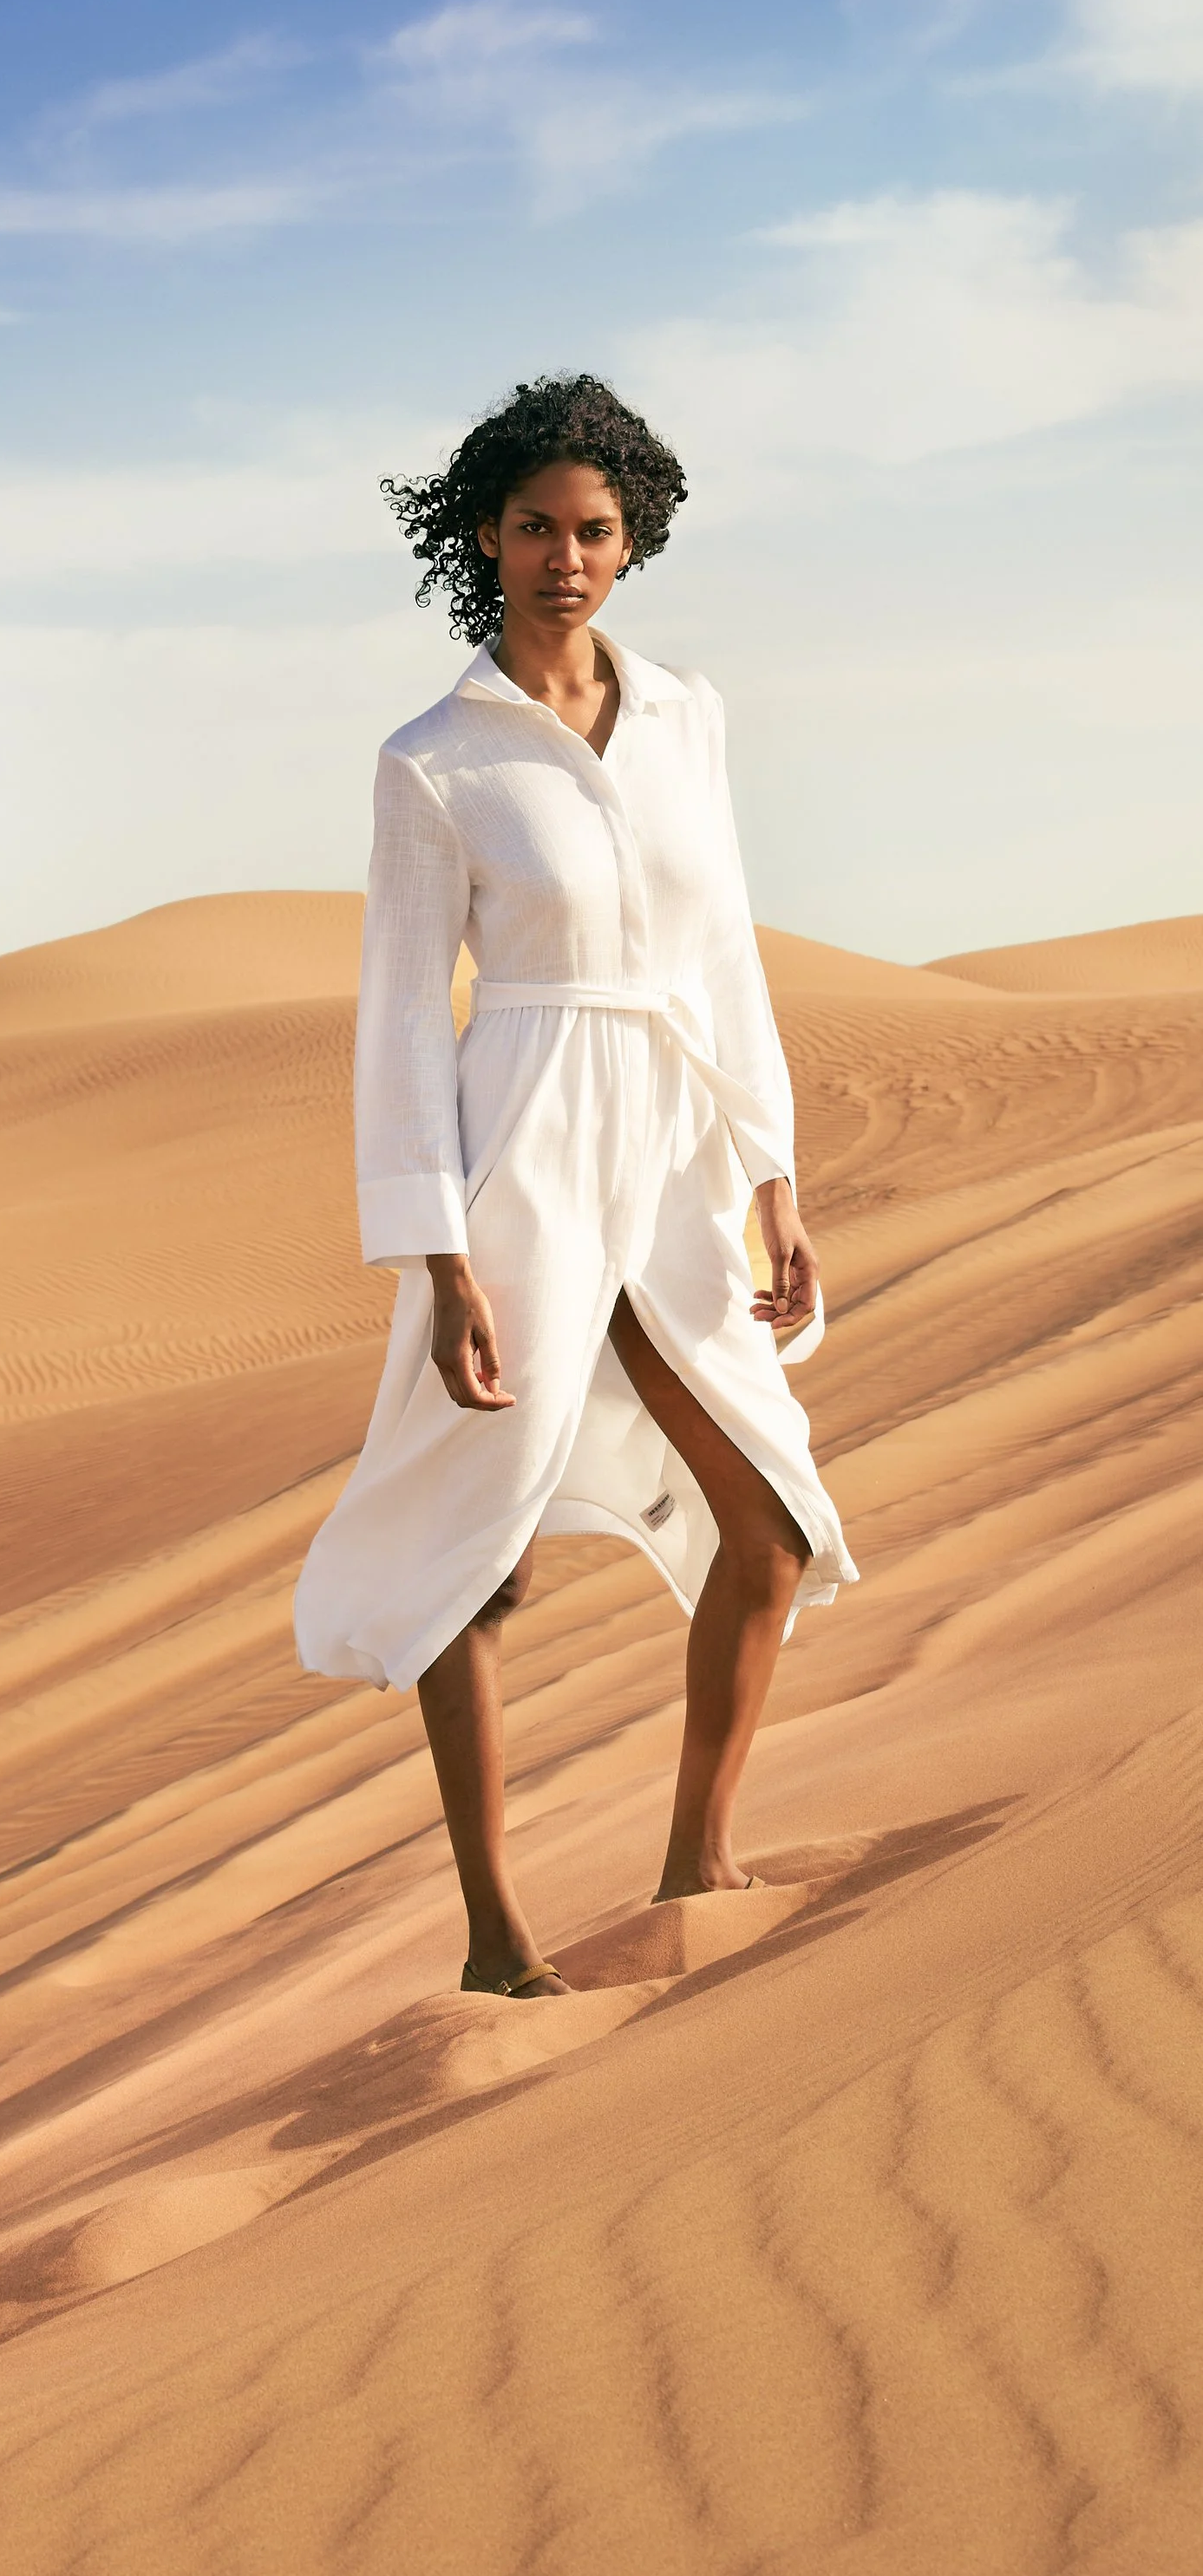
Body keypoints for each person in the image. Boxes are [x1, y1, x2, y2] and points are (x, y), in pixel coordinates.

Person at [293, 378, 856, 1997]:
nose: (565, 557)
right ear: (484, 534)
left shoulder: (691, 715)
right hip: (522, 1138)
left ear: (635, 539)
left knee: (770, 1517)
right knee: (483, 1546)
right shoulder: (434, 759)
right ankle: (493, 1928)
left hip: (674, 1134)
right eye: (535, 526)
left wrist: (775, 1172)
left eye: (595, 530)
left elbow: (725, 949)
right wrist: (440, 1252)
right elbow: (404, 1009)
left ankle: (698, 1852)